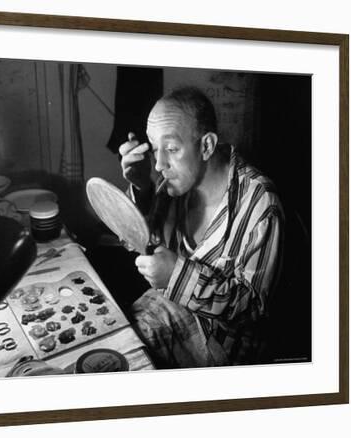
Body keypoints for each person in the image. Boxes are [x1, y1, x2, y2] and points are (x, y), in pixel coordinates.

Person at [119, 86, 284, 367]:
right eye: (154, 147)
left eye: (171, 148)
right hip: (168, 310)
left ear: (206, 145)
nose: (159, 164)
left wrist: (177, 276)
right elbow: (141, 240)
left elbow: (254, 310)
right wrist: (142, 188)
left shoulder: (260, 204)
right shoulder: (175, 182)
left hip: (225, 351)